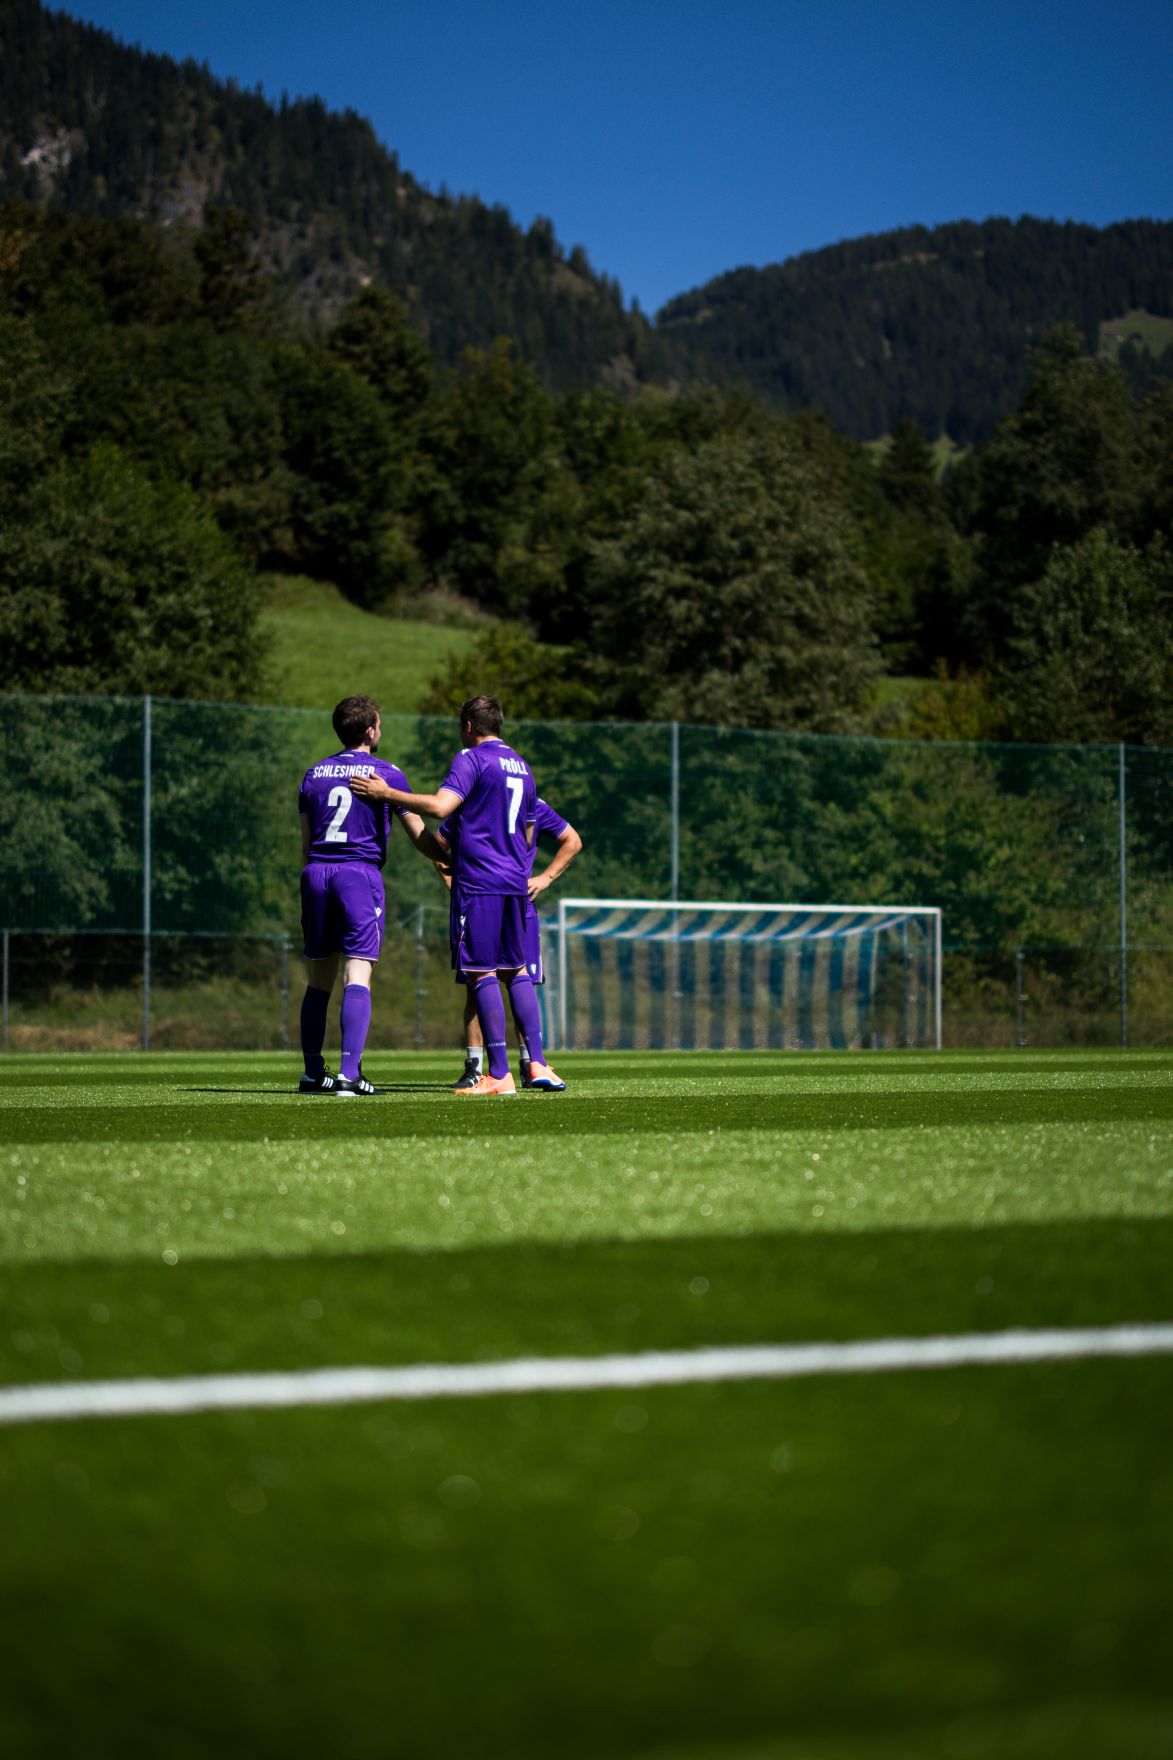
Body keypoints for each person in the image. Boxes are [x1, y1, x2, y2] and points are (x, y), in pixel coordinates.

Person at [350, 694, 565, 1096]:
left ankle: (499, 1074)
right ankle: (537, 1063)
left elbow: (439, 806)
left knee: (481, 972)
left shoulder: (471, 759)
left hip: (481, 882)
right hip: (514, 884)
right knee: (516, 970)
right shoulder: (522, 766)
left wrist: (387, 795)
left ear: (468, 726)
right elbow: (530, 832)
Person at [298, 694, 445, 1096]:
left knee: (318, 979)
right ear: (369, 730)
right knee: (357, 973)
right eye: (379, 724)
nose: (381, 730)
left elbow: (306, 842)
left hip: (315, 873)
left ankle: (314, 1073)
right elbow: (420, 837)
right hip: (357, 875)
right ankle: (349, 1074)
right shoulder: (387, 775)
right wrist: (456, 860)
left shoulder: (313, 774)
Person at [437, 796, 582, 1089]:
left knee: (515, 977)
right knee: (480, 983)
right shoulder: (470, 803)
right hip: (487, 899)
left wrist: (545, 878)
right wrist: (454, 883)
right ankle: (477, 1067)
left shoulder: (530, 804)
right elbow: (440, 847)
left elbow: (572, 840)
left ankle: (529, 1065)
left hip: (513, 903)